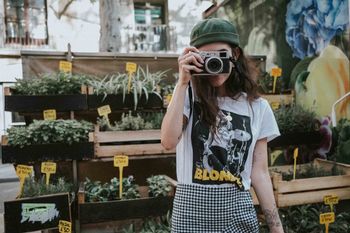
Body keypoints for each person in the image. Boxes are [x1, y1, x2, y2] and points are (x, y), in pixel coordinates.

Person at [161, 18, 284, 233]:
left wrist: (276, 228)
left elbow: (260, 172)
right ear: (195, 58)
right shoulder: (188, 96)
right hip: (191, 215)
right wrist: (182, 83)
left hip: (237, 213)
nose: (215, 65)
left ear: (235, 55)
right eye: (207, 57)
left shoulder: (258, 107)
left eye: (221, 56)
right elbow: (168, 141)